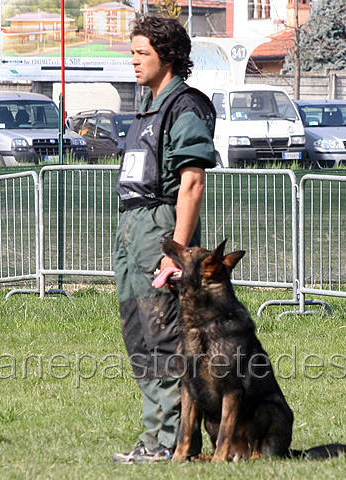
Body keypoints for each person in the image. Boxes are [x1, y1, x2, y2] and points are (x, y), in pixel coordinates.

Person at [111, 16, 216, 464]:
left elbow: (192, 183)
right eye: (132, 52)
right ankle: (153, 436)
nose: (133, 61)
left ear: (168, 56)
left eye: (142, 53)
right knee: (139, 337)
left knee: (166, 339)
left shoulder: (185, 106)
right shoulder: (149, 105)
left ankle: (171, 443)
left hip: (161, 228)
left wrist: (177, 253)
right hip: (132, 227)